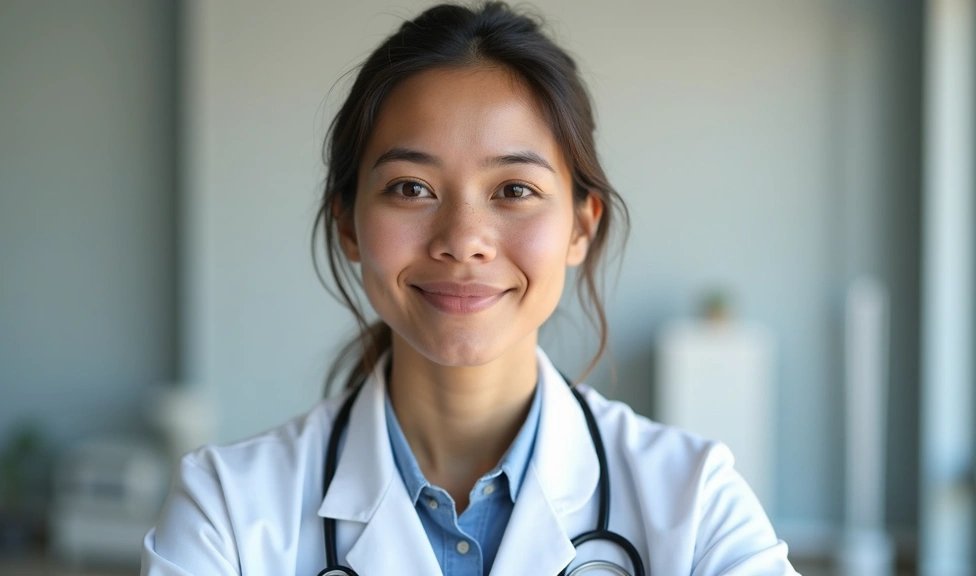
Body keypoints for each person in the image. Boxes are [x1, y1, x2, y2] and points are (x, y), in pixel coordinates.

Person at [141, 3, 799, 575]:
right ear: (348, 223)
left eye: (514, 190)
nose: (463, 238)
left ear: (581, 227)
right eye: (410, 188)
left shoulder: (693, 498)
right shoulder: (227, 509)